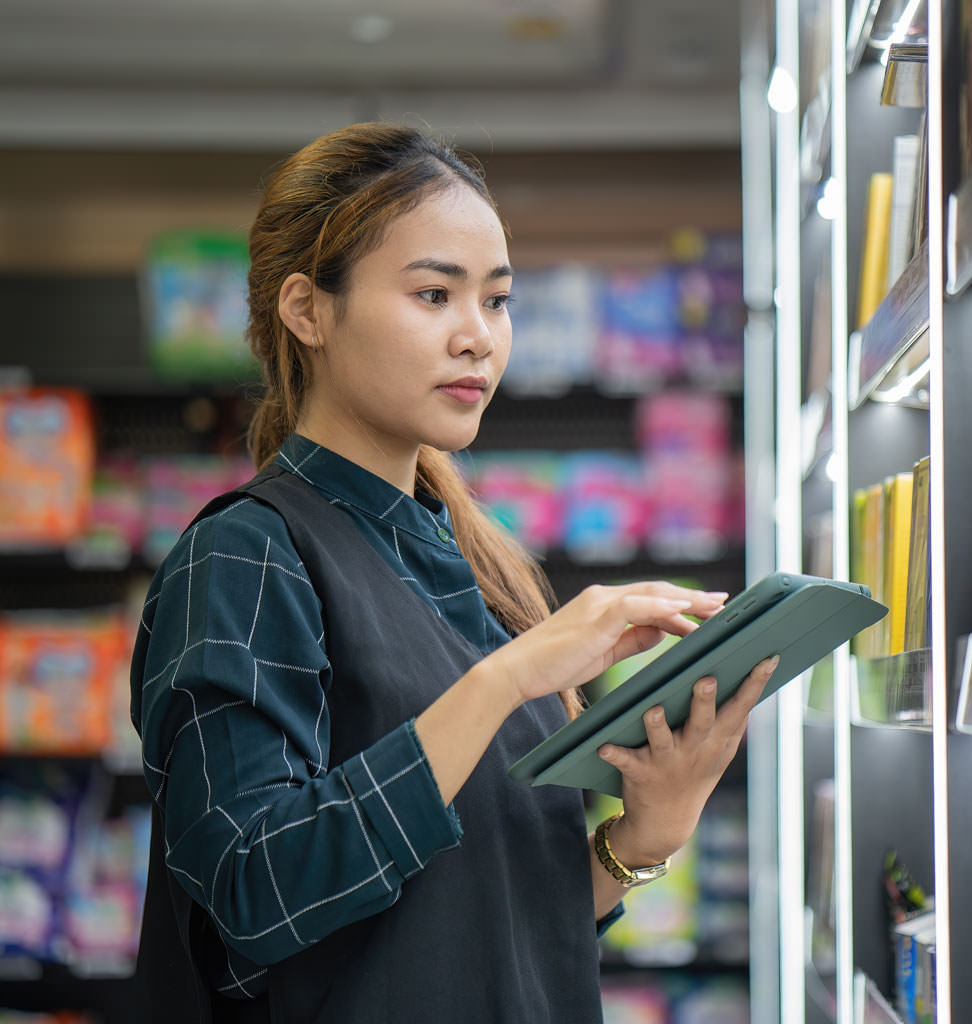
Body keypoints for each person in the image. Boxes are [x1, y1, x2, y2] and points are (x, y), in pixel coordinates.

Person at [129, 121, 777, 1024]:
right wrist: (510, 678)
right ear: (308, 309)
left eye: (498, 300)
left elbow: (488, 922)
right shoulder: (246, 556)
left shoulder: (474, 560)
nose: (478, 337)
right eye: (435, 294)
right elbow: (255, 893)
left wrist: (648, 833)